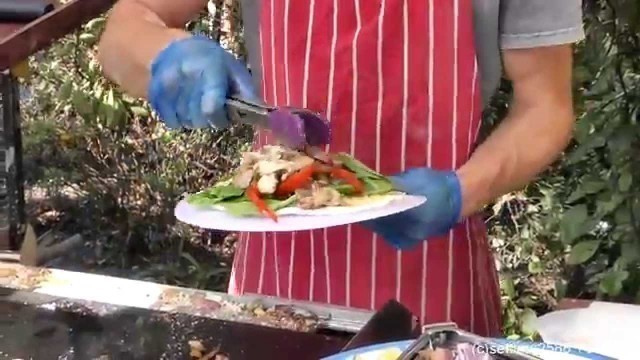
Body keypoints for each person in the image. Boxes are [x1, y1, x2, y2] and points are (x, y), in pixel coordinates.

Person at [97, 0, 584, 336]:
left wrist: (462, 191)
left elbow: (546, 106)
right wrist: (165, 54)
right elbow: (123, 32)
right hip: (277, 275)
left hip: (435, 276)